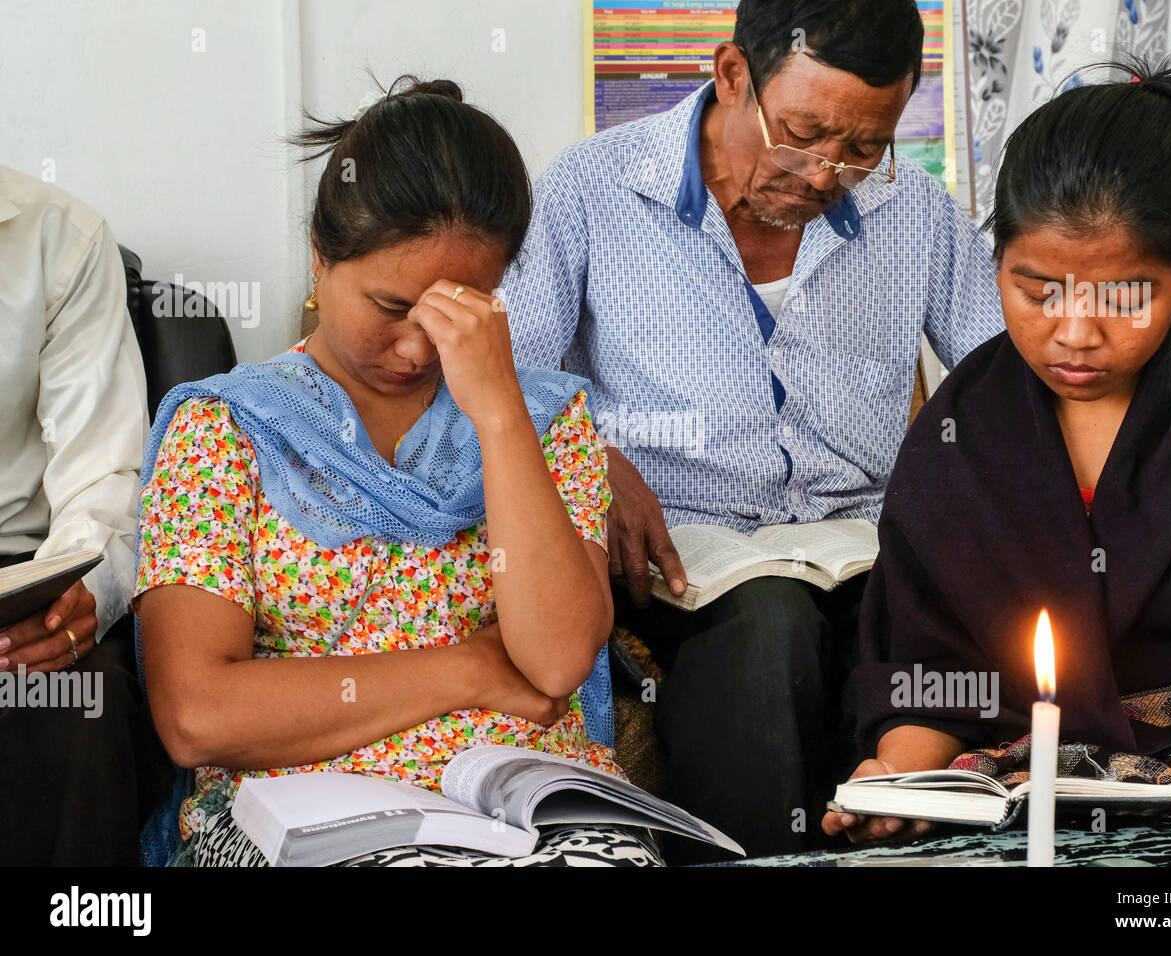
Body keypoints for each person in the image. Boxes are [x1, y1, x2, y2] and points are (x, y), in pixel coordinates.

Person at [502, 0, 1004, 860]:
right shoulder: (592, 189)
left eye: (863, 146)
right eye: (804, 132)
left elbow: (1002, 384)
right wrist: (588, 452)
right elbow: (500, 378)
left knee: (923, 620)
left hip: (862, 547)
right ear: (733, 74)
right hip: (677, 557)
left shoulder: (915, 212)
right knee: (769, 625)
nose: (826, 172)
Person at [131, 77, 663, 867]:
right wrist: (467, 669)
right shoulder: (226, 428)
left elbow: (554, 662)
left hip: (518, 800)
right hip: (304, 803)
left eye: (459, 311)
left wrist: (500, 413)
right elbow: (198, 714)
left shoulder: (545, 421)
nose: (418, 349)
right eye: (390, 306)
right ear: (319, 258)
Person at [825, 57, 1171, 846]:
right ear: (999, 259)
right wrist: (902, 778)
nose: (1075, 333)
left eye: (1123, 297)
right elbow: (927, 671)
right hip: (1006, 792)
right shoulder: (960, 435)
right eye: (1037, 290)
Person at [0, 162, 169, 864]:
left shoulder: (60, 238)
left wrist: (80, 595)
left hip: (18, 576)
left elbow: (102, 471)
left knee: (80, 699)